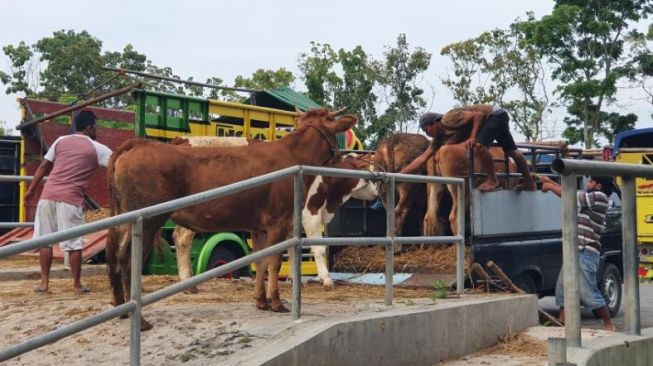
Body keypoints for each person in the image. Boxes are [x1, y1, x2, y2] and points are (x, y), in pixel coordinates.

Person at [24, 110, 112, 294]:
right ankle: (76, 285)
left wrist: (31, 190)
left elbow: (43, 166)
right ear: (89, 128)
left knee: (45, 241)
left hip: (47, 196)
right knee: (74, 244)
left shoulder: (60, 141)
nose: (96, 130)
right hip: (70, 200)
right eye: (95, 127)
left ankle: (44, 283)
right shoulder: (98, 148)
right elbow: (117, 163)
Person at [540, 174, 616, 331]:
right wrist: (551, 182)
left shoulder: (599, 197)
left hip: (586, 251)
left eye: (592, 181)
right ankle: (563, 321)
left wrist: (550, 186)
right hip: (575, 251)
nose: (588, 183)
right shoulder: (590, 196)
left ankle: (608, 323)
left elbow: (568, 195)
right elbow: (570, 193)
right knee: (563, 287)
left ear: (599, 186)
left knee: (587, 291)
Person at [401, 106, 536, 192]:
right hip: (496, 119)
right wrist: (401, 175)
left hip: (494, 115)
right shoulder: (438, 139)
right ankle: (529, 182)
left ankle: (492, 179)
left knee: (479, 146)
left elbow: (478, 116)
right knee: (511, 151)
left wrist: (472, 137)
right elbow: (422, 159)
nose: (427, 133)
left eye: (427, 129)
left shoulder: (448, 119)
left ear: (435, 122)